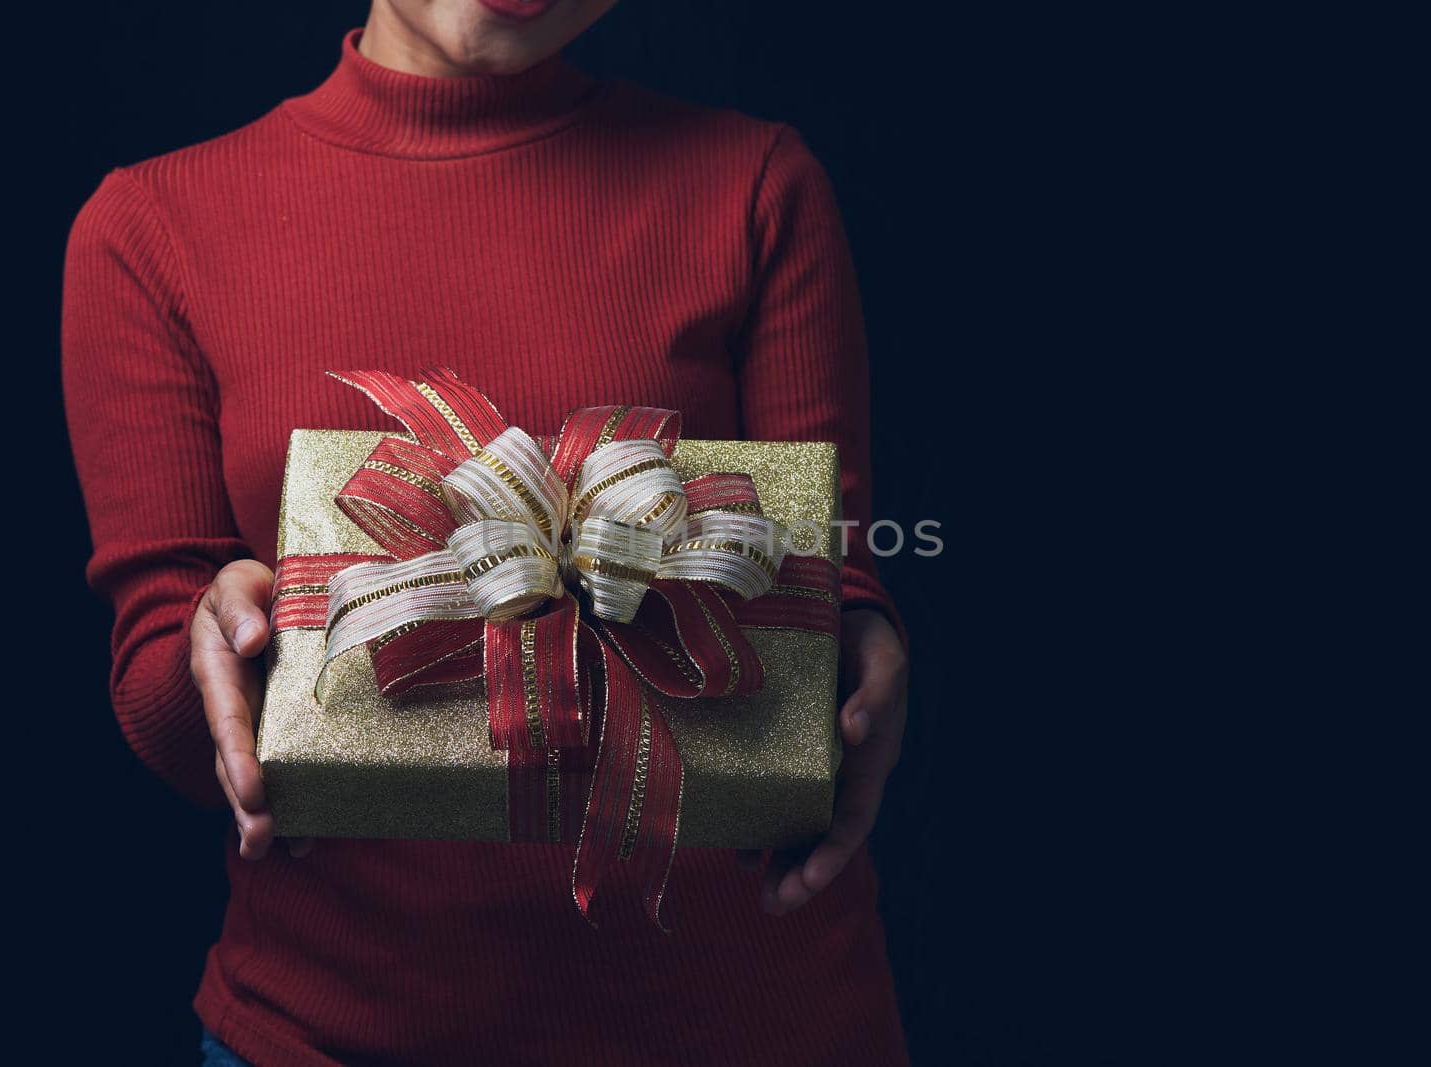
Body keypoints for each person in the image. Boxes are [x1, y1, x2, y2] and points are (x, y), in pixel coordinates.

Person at [62, 2, 910, 1064]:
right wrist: (208, 655)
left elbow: (817, 567)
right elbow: (167, 686)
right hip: (330, 1032)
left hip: (757, 1019)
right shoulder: (152, 225)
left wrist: (857, 651)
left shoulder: (755, 183)